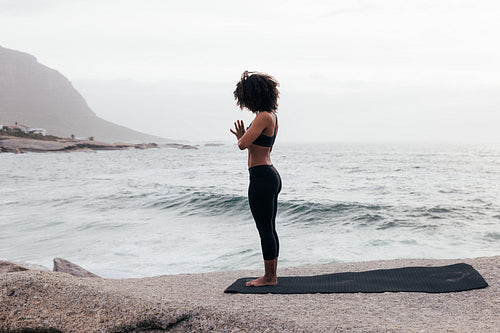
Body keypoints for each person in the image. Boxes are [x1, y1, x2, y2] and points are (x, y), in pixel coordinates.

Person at [230, 70, 282, 287]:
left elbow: (243, 145)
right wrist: (244, 136)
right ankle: (271, 275)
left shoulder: (263, 116)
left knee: (265, 229)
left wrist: (242, 138)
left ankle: (269, 277)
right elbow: (256, 144)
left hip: (261, 176)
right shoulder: (270, 116)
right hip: (268, 174)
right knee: (269, 227)